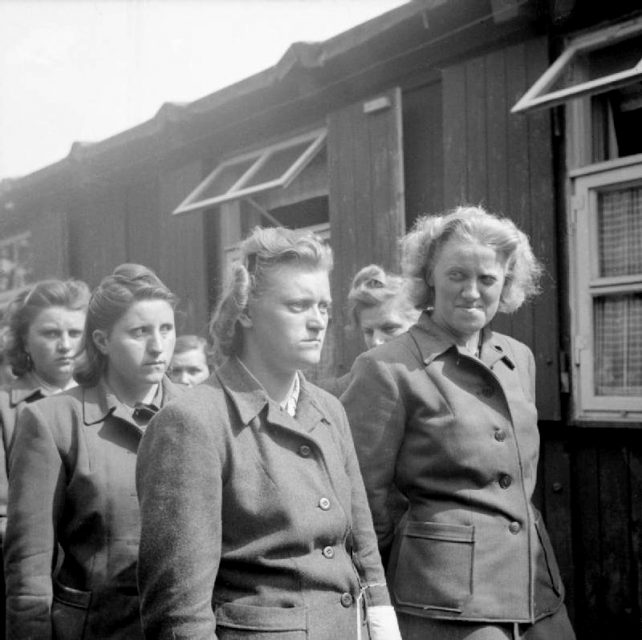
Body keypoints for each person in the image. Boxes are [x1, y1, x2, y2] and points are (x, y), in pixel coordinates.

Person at [136, 227, 401, 640]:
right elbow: (179, 611)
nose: (318, 322)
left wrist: (383, 628)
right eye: (298, 306)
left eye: (324, 307)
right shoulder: (192, 421)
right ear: (244, 312)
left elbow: (362, 545)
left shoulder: (329, 410)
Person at [342, 206, 576, 640]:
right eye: (456, 275)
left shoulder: (518, 358)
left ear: (505, 282)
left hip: (537, 593)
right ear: (429, 276)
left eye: (487, 279)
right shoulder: (387, 367)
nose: (472, 291)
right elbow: (363, 504)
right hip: (444, 605)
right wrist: (375, 604)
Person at [4, 264, 183, 640]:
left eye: (166, 329)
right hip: (97, 629)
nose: (157, 346)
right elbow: (29, 569)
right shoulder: (51, 421)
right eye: (139, 332)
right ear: (101, 341)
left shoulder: (202, 411)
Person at [0, 278, 90, 640]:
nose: (66, 345)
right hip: (28, 588)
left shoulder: (104, 403)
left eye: (75, 332)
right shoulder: (6, 412)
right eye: (51, 333)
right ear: (24, 341)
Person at [319, 265, 420, 397]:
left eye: (389, 329)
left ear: (418, 324)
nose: (376, 341)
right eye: (368, 332)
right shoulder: (348, 390)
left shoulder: (443, 380)